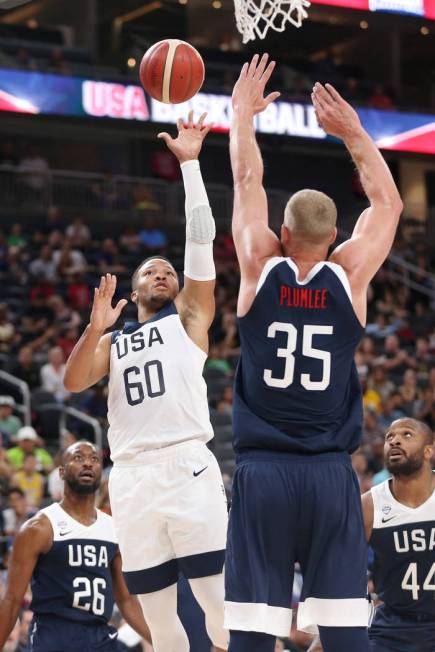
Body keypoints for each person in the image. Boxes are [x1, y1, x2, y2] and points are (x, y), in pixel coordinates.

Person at [224, 53, 403, 652]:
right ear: (334, 238)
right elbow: (388, 207)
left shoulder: (258, 264)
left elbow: (248, 182)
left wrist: (242, 115)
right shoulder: (351, 277)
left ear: (284, 231)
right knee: (347, 628)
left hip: (263, 473)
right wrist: (354, 132)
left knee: (252, 630)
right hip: (331, 475)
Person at [64, 112, 229, 652]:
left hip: (188, 465)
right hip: (132, 476)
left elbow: (201, 242)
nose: (163, 273)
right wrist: (93, 329)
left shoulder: (189, 321)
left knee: (217, 605)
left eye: (168, 271)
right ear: (133, 292)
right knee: (160, 620)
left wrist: (191, 167)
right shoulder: (112, 342)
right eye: (150, 271)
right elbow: (72, 382)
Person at [0, 440, 151, 651]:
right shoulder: (39, 527)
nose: (88, 463)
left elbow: (126, 601)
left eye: (94, 459)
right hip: (54, 638)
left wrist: (164, 642)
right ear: (61, 472)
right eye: (78, 458)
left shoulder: (114, 528)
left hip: (100, 637)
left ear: (101, 471)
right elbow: (12, 600)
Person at [308, 417, 435, 652]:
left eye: (407, 435)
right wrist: (323, 635)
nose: (395, 440)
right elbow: (341, 575)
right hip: (394, 626)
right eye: (389, 437)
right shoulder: (368, 506)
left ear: (429, 450)